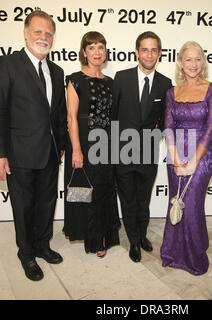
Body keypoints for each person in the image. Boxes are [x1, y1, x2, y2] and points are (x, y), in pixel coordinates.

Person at [0, 11, 67, 281]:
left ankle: (43, 245)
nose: (43, 37)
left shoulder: (56, 71)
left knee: (47, 202)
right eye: (38, 32)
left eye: (48, 33)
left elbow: (57, 113)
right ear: (25, 33)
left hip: (50, 152)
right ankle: (27, 253)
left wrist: (62, 145)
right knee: (23, 206)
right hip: (19, 153)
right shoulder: (7, 64)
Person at [160, 41, 212, 275]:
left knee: (193, 204)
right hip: (176, 153)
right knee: (176, 201)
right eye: (188, 59)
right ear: (180, 62)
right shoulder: (172, 92)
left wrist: (193, 162)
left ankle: (194, 256)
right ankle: (173, 251)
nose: (193, 64)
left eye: (198, 59)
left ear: (202, 62)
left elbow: (211, 127)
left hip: (201, 154)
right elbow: (168, 126)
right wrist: (176, 160)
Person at [112, 31, 172, 263]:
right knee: (127, 199)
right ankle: (134, 241)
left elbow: (165, 121)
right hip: (122, 152)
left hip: (148, 152)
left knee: (143, 199)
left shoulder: (165, 84)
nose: (149, 54)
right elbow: (112, 117)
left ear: (159, 53)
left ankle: (143, 234)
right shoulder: (121, 78)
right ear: (136, 52)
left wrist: (151, 138)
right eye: (144, 49)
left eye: (153, 50)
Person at [63, 31, 120, 258]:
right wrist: (76, 149)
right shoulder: (75, 79)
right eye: (92, 47)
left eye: (101, 47)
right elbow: (71, 117)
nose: (97, 52)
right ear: (84, 52)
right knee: (87, 190)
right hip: (84, 142)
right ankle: (91, 235)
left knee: (105, 189)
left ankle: (103, 235)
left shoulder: (111, 83)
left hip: (106, 143)